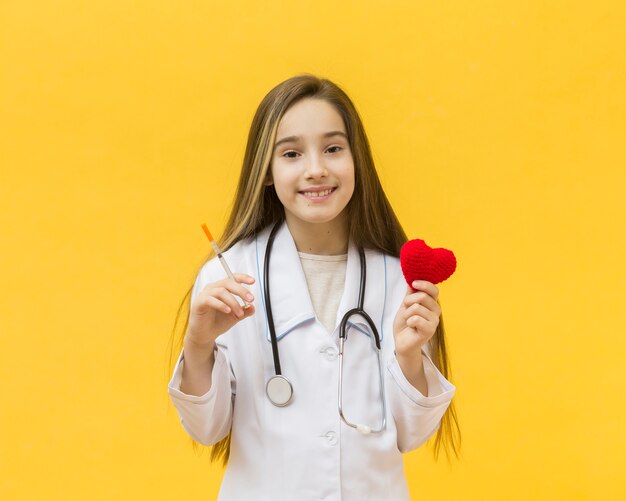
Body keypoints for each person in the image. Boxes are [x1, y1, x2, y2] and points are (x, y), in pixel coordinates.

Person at [168, 74, 460, 501]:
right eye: (291, 153)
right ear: (266, 172)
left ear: (356, 158)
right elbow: (206, 428)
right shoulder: (227, 278)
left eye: (333, 148)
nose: (316, 169)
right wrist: (198, 343)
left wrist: (408, 355)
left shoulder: (397, 279)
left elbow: (412, 434)